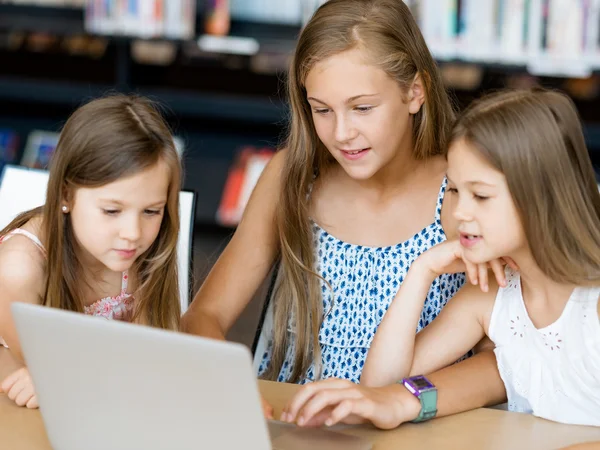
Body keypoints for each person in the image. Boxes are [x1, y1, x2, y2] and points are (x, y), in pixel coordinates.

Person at [182, 0, 508, 418]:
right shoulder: (292, 179)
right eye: (322, 110)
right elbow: (204, 315)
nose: (341, 133)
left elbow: (498, 361)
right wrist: (233, 389)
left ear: (414, 92)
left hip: (420, 425)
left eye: (362, 108)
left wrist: (399, 401)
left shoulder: (463, 192)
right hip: (294, 421)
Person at [283, 88, 600, 428]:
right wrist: (422, 271)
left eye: (480, 195)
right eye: (452, 189)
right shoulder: (492, 297)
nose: (460, 211)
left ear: (541, 196)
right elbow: (379, 384)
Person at [0, 94, 182, 409]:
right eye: (112, 211)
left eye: (151, 211)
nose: (133, 233)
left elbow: (151, 356)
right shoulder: (19, 267)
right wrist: (61, 376)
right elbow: (40, 376)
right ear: (66, 194)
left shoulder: (142, 251)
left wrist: (65, 376)